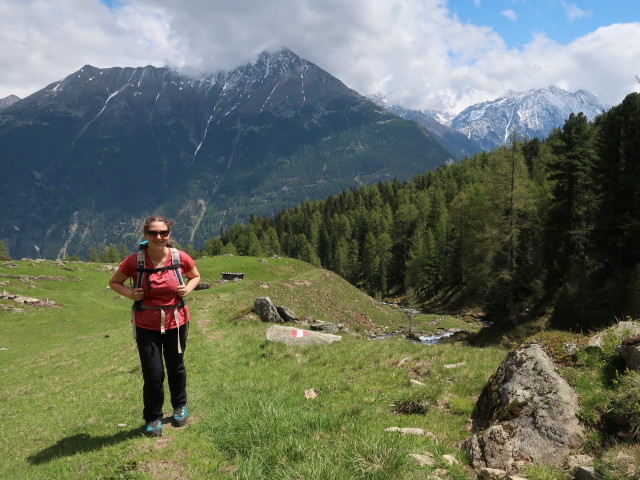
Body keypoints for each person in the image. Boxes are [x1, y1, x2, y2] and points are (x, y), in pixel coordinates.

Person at [109, 215, 201, 437]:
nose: (158, 237)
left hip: (176, 322)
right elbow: (114, 282)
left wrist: (187, 290)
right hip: (146, 324)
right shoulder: (134, 261)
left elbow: (195, 276)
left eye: (163, 233)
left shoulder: (179, 257)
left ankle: (180, 406)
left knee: (176, 366)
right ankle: (153, 417)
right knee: (153, 373)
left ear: (169, 234)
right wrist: (131, 293)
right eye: (153, 233)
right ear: (145, 235)